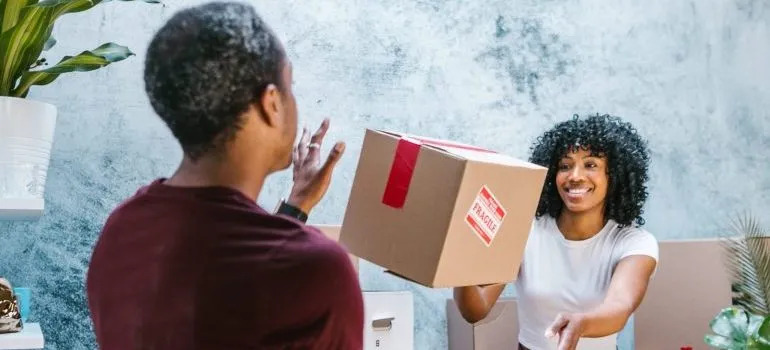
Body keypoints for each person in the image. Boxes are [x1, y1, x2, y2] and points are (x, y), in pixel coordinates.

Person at [85, 2, 363, 349]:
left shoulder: (122, 230)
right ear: (272, 103)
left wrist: (296, 207)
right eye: (290, 86)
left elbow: (219, 298)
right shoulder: (319, 273)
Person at [454, 114, 658, 350]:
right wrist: (456, 260)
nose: (575, 176)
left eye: (590, 164)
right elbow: (475, 310)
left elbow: (620, 307)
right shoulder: (524, 231)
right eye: (565, 166)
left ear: (616, 176)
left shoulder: (634, 243)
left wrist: (581, 323)